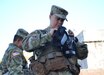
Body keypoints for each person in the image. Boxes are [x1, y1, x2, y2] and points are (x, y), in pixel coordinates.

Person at [22, 5, 88, 75]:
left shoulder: (66, 36)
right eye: (57, 18)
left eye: (62, 20)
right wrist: (47, 36)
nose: (60, 22)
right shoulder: (40, 33)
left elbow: (83, 55)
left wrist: (74, 41)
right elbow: (25, 45)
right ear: (50, 16)